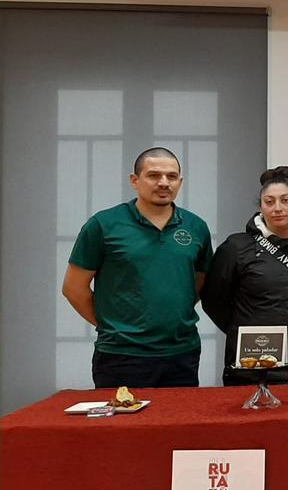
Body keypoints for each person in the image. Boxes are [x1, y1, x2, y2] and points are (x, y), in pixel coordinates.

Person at [61, 147, 213, 388]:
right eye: (154, 175)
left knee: (178, 425)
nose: (164, 183)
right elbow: (73, 288)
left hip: (182, 354)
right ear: (135, 180)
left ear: (180, 182)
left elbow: (198, 283)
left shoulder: (196, 227)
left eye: (172, 176)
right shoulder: (103, 225)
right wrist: (111, 326)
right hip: (121, 356)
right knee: (124, 426)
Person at [201, 166, 288, 385]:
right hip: (254, 363)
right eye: (269, 202)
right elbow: (213, 299)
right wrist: (243, 330)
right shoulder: (237, 247)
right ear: (260, 207)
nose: (277, 208)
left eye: (285, 200)